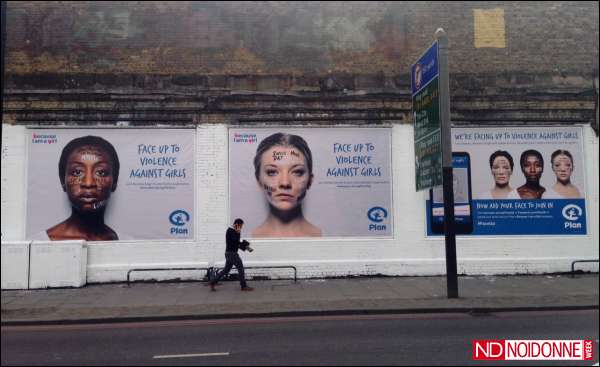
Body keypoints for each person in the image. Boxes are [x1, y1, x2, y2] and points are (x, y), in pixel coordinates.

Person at [43, 136, 120, 241]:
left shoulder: (128, 243)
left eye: (101, 172)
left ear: (114, 182)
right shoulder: (39, 242)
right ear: (62, 181)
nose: (88, 183)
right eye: (77, 172)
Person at [251, 133, 322, 238]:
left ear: (310, 181)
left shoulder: (326, 236)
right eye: (272, 172)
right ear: (258, 180)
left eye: (297, 172)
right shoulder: (245, 238)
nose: (285, 183)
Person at [210, 218, 254, 292]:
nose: (241, 227)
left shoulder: (235, 231)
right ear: (236, 224)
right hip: (232, 254)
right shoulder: (230, 231)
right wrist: (238, 232)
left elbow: (237, 243)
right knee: (241, 269)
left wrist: (246, 247)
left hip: (230, 253)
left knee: (226, 270)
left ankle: (213, 282)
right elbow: (234, 241)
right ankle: (243, 286)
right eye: (241, 225)